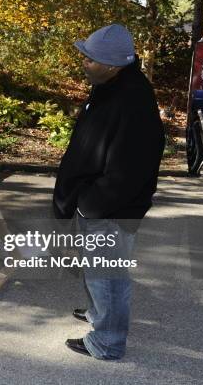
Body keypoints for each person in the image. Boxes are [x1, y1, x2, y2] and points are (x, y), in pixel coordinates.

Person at [52, 24, 165, 360]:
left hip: (109, 210)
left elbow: (131, 169)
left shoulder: (132, 100)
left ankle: (108, 342)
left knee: (108, 276)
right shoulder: (109, 85)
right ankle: (99, 315)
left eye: (91, 58)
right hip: (96, 204)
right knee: (96, 271)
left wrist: (92, 204)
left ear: (114, 65)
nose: (84, 62)